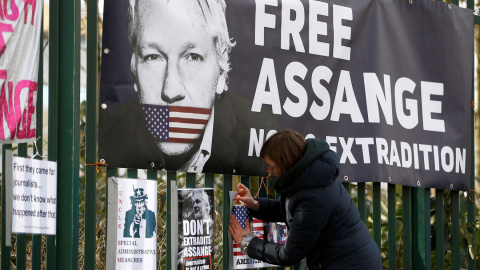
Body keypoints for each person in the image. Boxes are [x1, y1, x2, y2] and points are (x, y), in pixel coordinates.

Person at [98, 0, 282, 175]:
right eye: (153, 57)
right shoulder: (108, 132)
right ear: (134, 70)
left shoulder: (262, 128)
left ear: (220, 72)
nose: (171, 91)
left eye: (193, 57)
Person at [229, 129, 382, 269]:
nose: (268, 172)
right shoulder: (309, 177)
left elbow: (288, 255)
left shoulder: (314, 195)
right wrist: (255, 205)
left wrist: (247, 241)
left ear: (286, 163)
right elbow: (295, 210)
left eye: (272, 167)